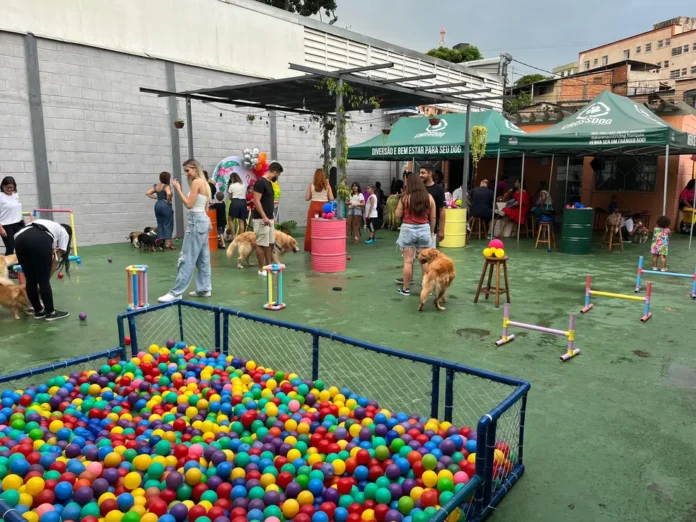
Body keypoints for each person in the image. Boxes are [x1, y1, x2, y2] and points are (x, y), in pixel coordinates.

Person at [158, 159, 212, 303]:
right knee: (203, 258)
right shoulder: (205, 183)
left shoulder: (196, 182)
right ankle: (204, 288)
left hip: (196, 222)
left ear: (195, 168)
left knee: (187, 258)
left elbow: (189, 204)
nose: (187, 174)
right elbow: (205, 208)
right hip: (203, 220)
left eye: (188, 171)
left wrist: (178, 190)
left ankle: (176, 292)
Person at [14, 219, 72, 320]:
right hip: (39, 238)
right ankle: (51, 313)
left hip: (19, 239)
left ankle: (38, 311)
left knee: (30, 279)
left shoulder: (49, 225)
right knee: (43, 280)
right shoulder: (64, 233)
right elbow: (56, 260)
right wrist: (45, 280)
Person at [394, 174, 436, 296]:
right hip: (424, 230)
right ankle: (428, 288)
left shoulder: (405, 198)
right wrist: (432, 231)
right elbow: (433, 217)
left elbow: (397, 215)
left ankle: (406, 289)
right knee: (424, 261)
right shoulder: (429, 197)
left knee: (408, 261)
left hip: (408, 230)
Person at [252, 162, 284, 276]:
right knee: (261, 244)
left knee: (269, 244)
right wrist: (264, 216)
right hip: (261, 219)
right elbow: (256, 201)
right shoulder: (260, 182)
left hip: (269, 219)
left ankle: (269, 266)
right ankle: (261, 269)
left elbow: (268, 202)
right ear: (275, 172)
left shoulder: (269, 183)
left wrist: (271, 217)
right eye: (278, 174)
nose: (277, 177)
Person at [304, 168, 334, 253]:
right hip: (325, 207)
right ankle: (324, 247)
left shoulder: (311, 185)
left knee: (311, 227)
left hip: (314, 206)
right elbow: (331, 198)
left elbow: (306, 198)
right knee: (324, 228)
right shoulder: (327, 185)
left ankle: (311, 248)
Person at [0, 176, 25, 277]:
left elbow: (18, 209)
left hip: (18, 223)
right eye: (7, 187)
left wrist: (24, 221)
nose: (10, 189)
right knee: (10, 247)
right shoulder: (1, 196)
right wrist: (1, 229)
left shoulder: (15, 195)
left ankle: (20, 266)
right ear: (3, 186)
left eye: (12, 187)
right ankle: (9, 270)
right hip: (5, 225)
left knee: (21, 246)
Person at [145, 171, 174, 250]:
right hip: (165, 206)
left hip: (157, 205)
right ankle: (168, 243)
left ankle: (161, 242)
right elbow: (168, 193)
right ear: (167, 178)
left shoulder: (156, 186)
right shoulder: (166, 186)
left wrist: (156, 198)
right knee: (168, 223)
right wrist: (168, 201)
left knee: (160, 223)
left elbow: (147, 193)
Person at [419, 166, 446, 247]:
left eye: (423, 173)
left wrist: (441, 230)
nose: (420, 175)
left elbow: (442, 210)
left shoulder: (438, 190)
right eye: (420, 173)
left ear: (430, 173)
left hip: (431, 228)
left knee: (429, 256)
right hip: (416, 226)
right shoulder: (418, 188)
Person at [227, 173, 247, 238]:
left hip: (235, 202)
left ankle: (233, 236)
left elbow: (230, 197)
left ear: (232, 178)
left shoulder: (231, 186)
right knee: (241, 221)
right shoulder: (243, 185)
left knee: (230, 219)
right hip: (243, 202)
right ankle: (241, 237)